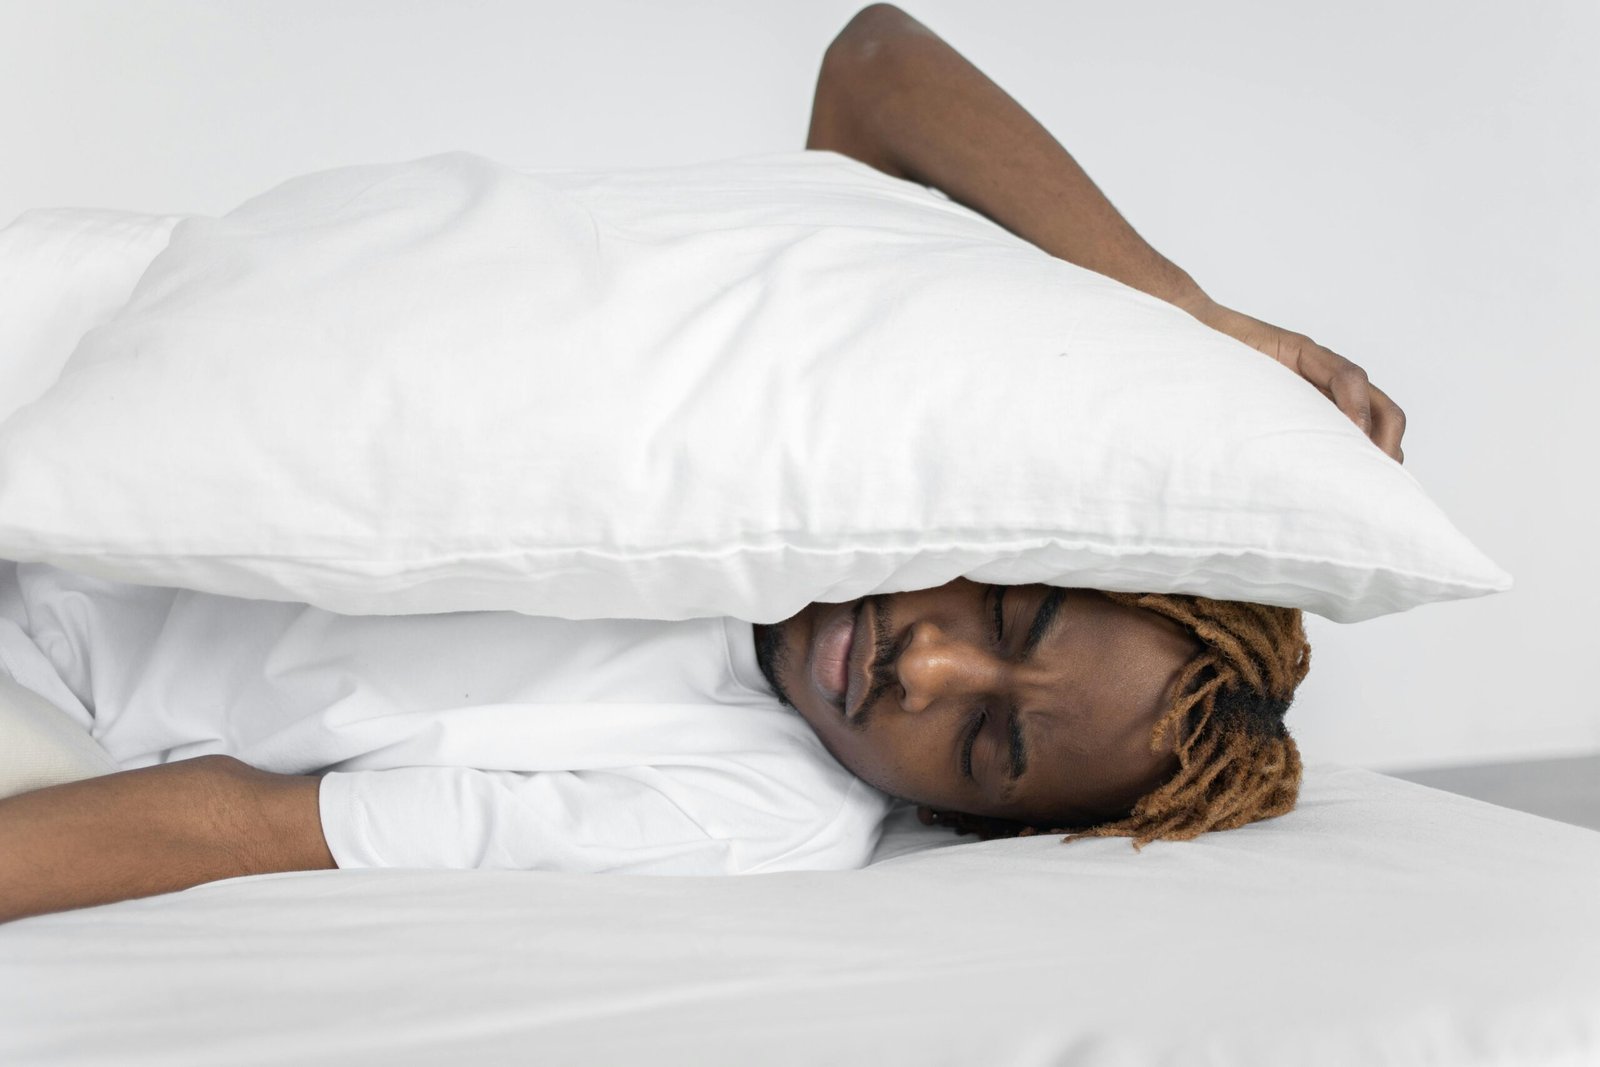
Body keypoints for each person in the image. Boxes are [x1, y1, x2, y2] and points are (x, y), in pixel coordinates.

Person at [0, 4, 1402, 923]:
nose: (928, 668)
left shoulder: (757, 813)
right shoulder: (826, 408)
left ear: (956, 818)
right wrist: (1182, 312)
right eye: (1006, 613)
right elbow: (875, 66)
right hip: (71, 354)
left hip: (46, 679)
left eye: (985, 742)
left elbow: (247, 822)